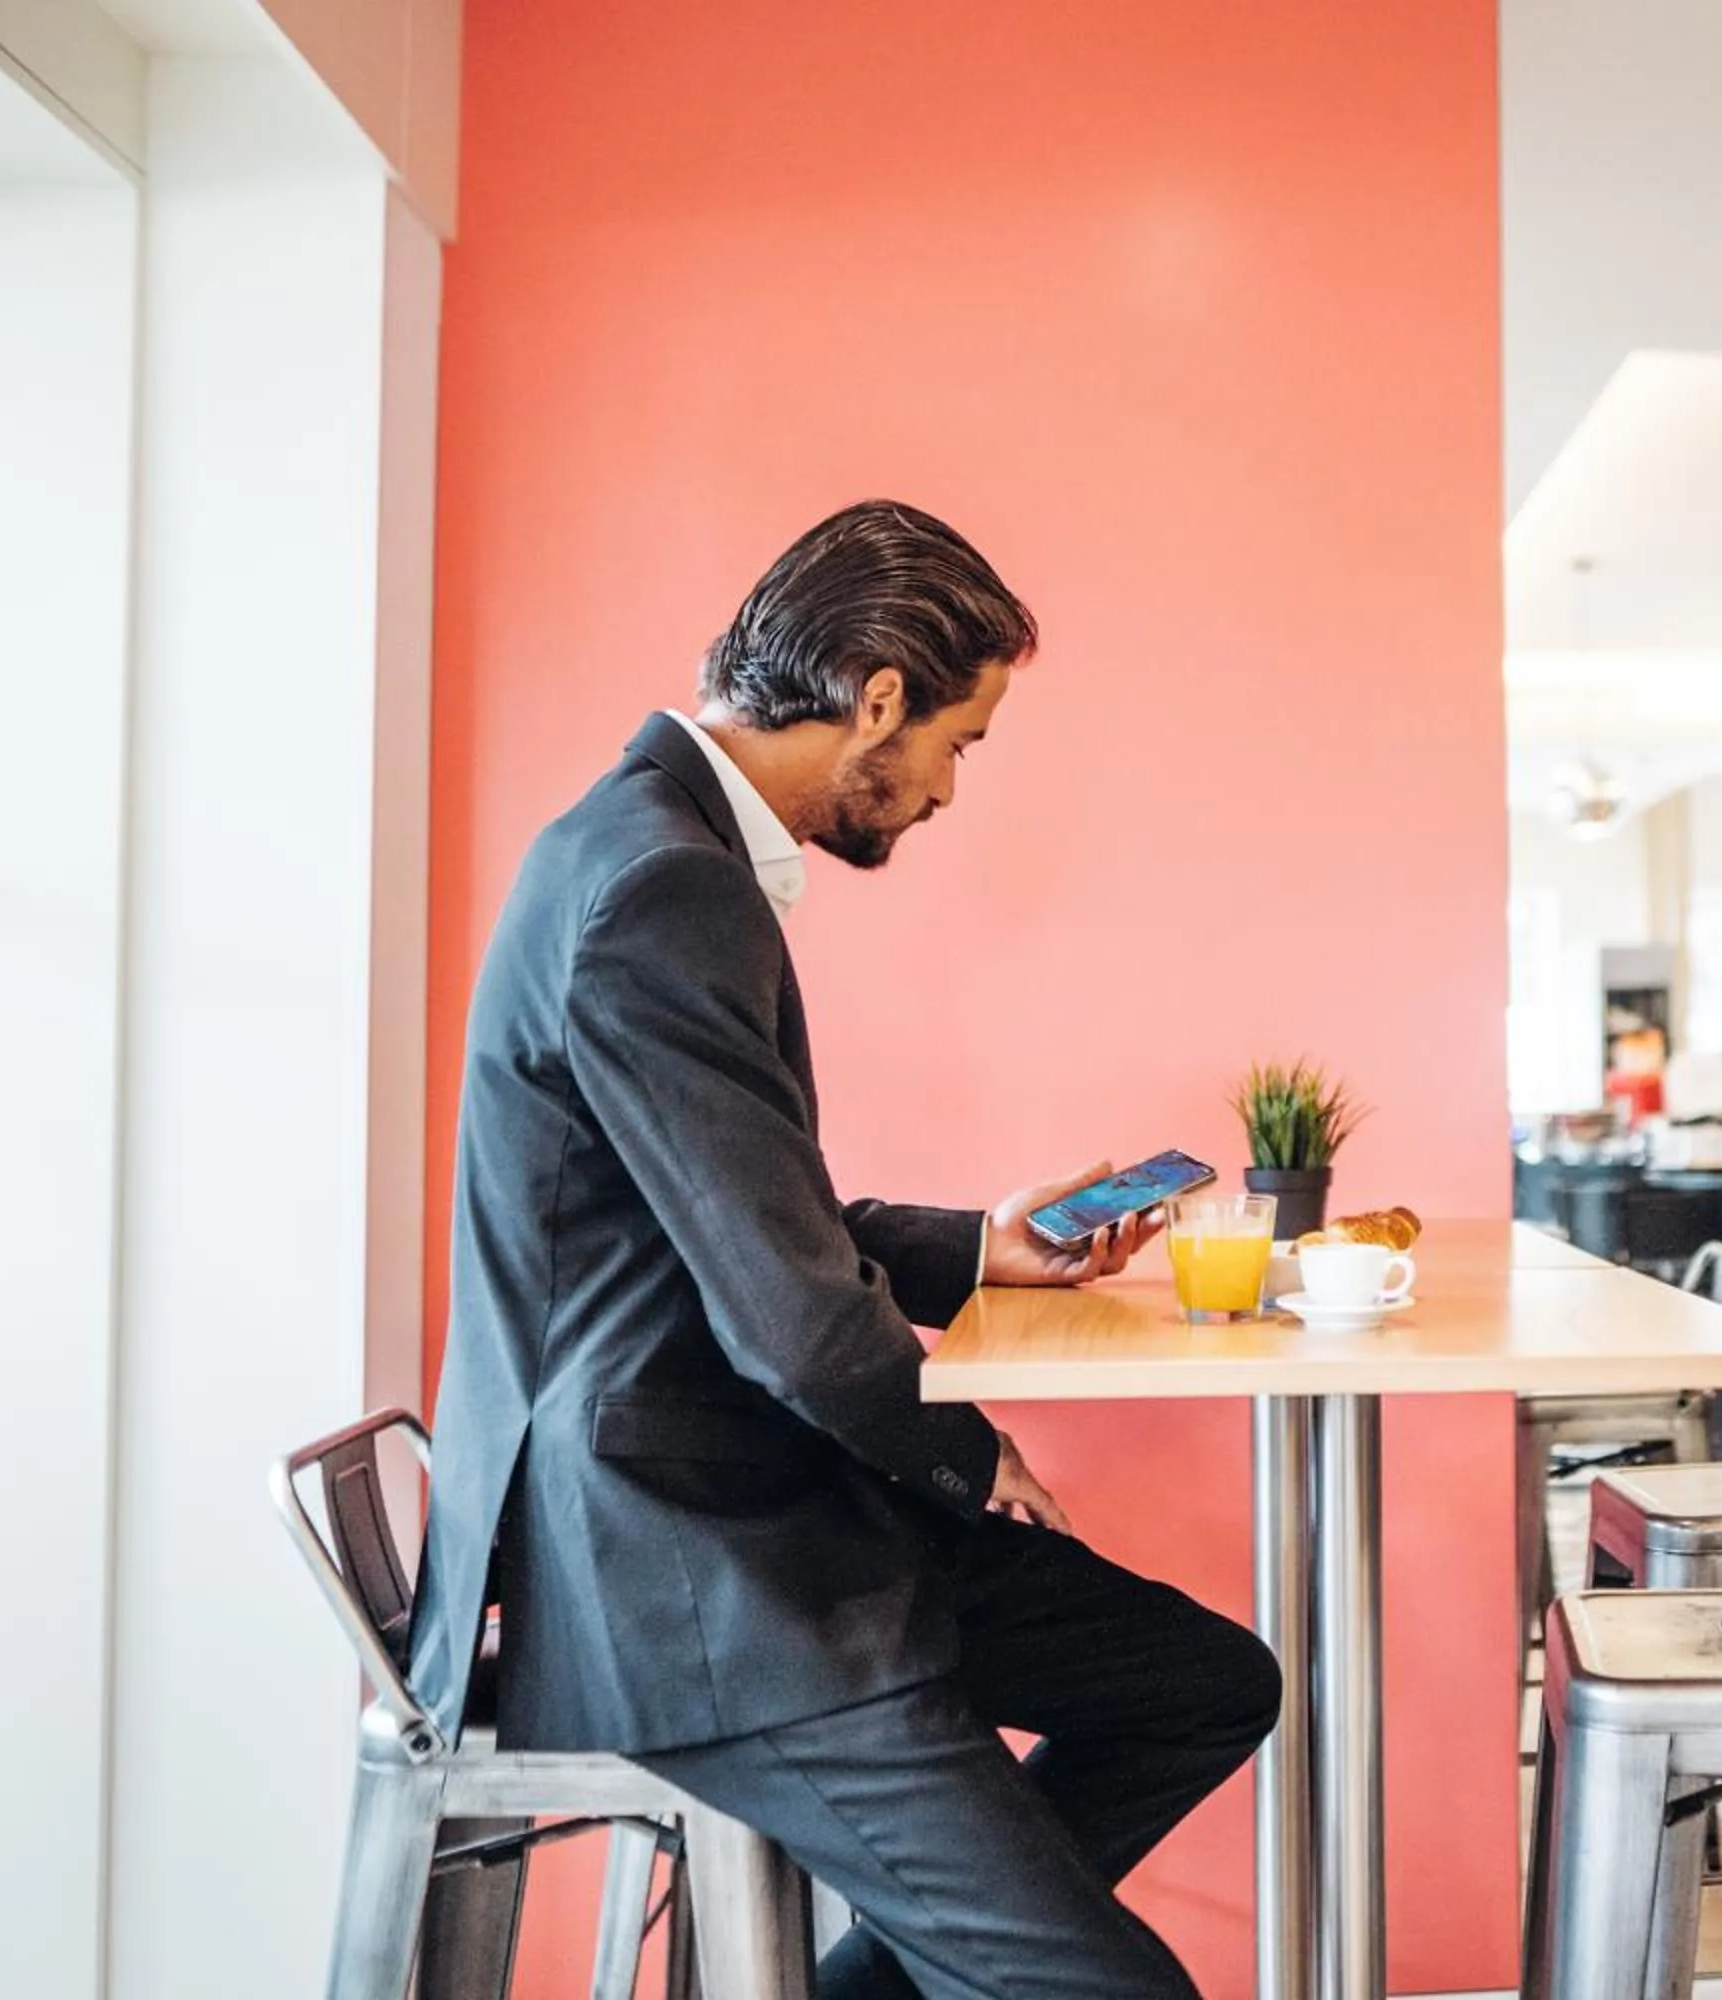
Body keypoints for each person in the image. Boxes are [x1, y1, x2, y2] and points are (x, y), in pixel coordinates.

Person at [409, 500, 1279, 2000]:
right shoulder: (661, 885)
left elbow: (734, 1225)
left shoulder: (647, 849)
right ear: (877, 697)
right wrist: (965, 1453)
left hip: (748, 1508)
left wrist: (980, 1250)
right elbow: (798, 1321)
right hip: (692, 1575)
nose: (948, 789)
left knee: (1206, 1684)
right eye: (963, 741)